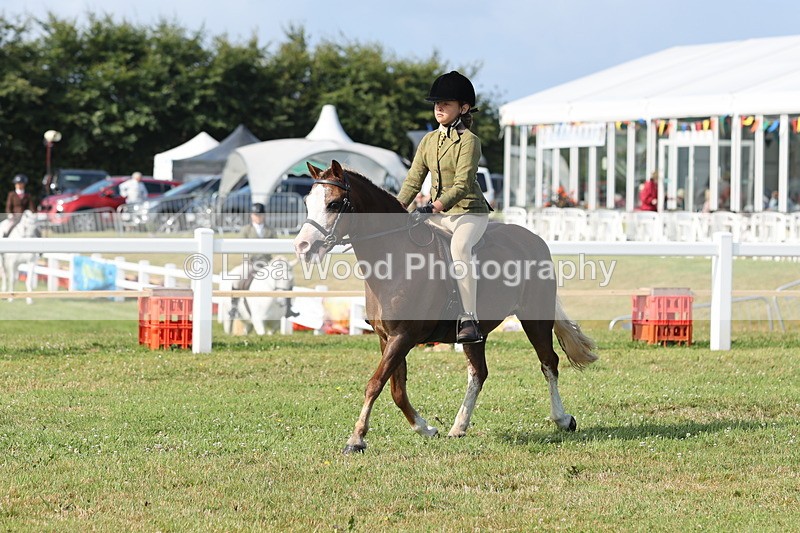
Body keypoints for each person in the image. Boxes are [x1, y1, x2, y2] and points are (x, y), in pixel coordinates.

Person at [396, 70, 490, 344]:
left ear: (463, 108)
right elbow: (414, 179)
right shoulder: (428, 141)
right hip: (439, 214)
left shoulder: (470, 141)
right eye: (437, 103)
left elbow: (462, 184)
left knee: (459, 248)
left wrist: (433, 206)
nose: (439, 108)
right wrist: (397, 208)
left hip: (469, 213)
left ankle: (469, 318)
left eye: (446, 103)